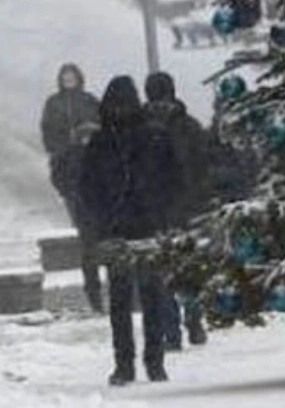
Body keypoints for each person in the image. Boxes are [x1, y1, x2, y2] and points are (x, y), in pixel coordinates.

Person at [82, 77, 177, 386]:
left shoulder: (114, 141)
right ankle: (146, 362)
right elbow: (171, 179)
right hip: (129, 228)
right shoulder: (150, 137)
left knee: (136, 300)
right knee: (139, 299)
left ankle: (136, 362)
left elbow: (88, 188)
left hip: (128, 227)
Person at [143, 73, 209, 350]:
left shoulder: (142, 128)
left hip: (155, 208)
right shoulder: (189, 125)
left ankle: (172, 331)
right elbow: (203, 165)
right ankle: (193, 320)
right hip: (187, 207)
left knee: (162, 270)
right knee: (189, 266)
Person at [39, 64, 102, 313]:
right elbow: (47, 134)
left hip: (93, 171)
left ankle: (96, 290)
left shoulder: (90, 101)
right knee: (85, 229)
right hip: (69, 170)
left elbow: (103, 126)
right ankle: (93, 291)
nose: (68, 80)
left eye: (72, 76)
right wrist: (63, 145)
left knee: (93, 235)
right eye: (65, 76)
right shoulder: (53, 104)